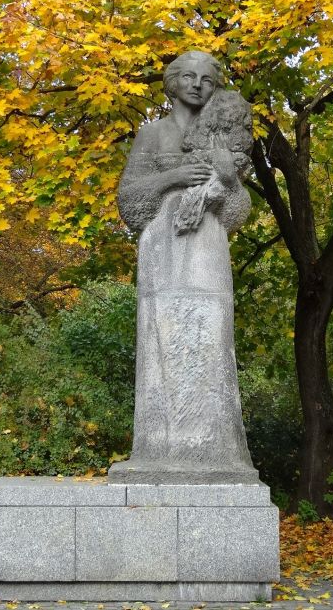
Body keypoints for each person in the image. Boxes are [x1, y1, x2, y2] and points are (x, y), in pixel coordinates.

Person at [108, 50, 259, 484]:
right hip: (161, 249)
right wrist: (172, 179)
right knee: (161, 340)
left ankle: (215, 447)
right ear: (171, 83)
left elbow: (235, 216)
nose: (197, 84)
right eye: (188, 77)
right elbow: (130, 202)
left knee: (211, 340)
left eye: (208, 80)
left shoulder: (223, 134)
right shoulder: (151, 135)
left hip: (208, 252)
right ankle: (156, 448)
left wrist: (228, 178)